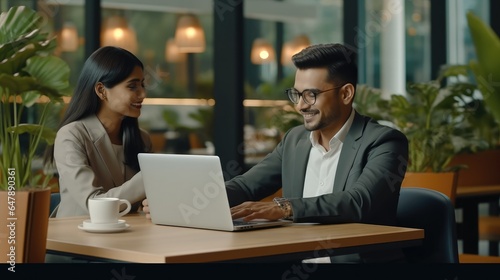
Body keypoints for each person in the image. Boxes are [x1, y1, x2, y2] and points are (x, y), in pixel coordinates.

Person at [142, 43, 408, 263]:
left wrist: (283, 207)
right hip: (293, 261)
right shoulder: (295, 140)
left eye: (311, 95)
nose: (301, 106)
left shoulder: (384, 142)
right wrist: (180, 201)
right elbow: (246, 186)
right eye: (297, 94)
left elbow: (359, 202)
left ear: (347, 93)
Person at [44, 46, 152, 218]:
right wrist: (149, 177)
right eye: (132, 86)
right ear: (101, 91)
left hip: (129, 237)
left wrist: (152, 205)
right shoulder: (71, 136)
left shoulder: (142, 138)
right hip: (75, 239)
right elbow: (93, 204)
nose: (142, 93)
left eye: (142, 85)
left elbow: (147, 200)